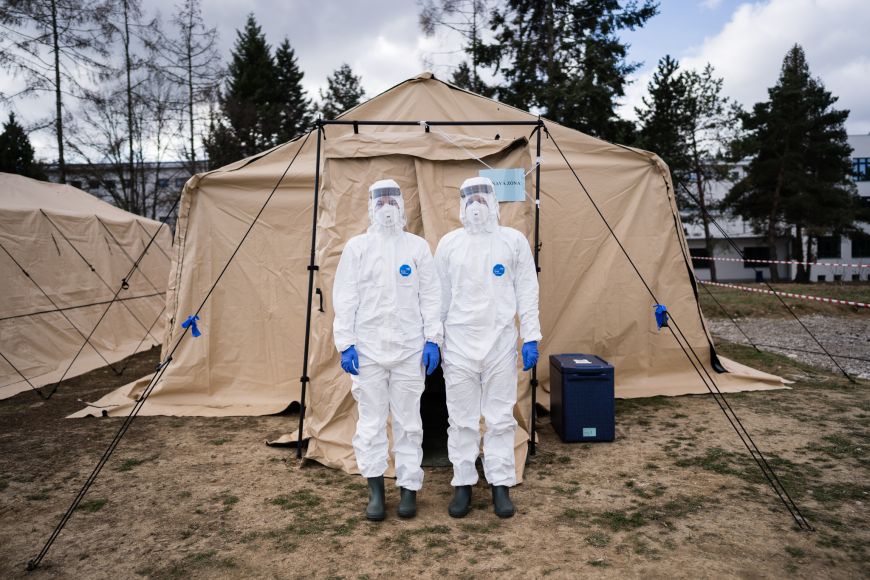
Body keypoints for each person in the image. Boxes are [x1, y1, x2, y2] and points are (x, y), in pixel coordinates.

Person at [333, 179, 442, 521]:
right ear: (370, 205)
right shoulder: (357, 248)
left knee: (409, 422)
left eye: (392, 199)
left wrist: (432, 339)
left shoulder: (417, 247)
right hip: (368, 351)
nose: (386, 207)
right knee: (371, 423)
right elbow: (345, 298)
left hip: (410, 350)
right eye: (379, 201)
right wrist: (346, 343)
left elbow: (431, 295)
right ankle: (376, 492)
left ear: (402, 204)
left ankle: (408, 489)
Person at [434, 176, 541, 519]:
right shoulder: (449, 244)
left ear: (494, 201)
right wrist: (434, 340)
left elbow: (527, 290)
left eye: (482, 196)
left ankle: (500, 485)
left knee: (499, 418)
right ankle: (463, 484)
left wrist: (532, 336)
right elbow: (438, 297)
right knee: (461, 419)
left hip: (500, 344)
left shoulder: (512, 241)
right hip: (459, 345)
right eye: (469, 197)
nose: (476, 204)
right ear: (461, 203)